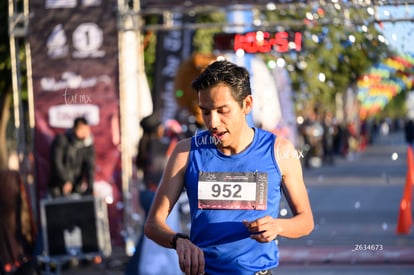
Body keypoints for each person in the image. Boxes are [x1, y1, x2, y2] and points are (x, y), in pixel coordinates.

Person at [144, 60, 314, 275]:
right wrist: (178, 241)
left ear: (247, 104)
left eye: (223, 110)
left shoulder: (280, 151)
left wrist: (278, 226)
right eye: (205, 112)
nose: (213, 122)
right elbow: (153, 224)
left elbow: (305, 221)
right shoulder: (186, 152)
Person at [48, 117, 95, 198]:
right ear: (74, 129)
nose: (84, 133)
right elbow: (57, 163)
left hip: (76, 186)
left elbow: (90, 167)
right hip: (58, 185)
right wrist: (66, 181)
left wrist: (91, 187)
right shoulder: (62, 140)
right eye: (81, 129)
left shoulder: (88, 145)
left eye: (86, 130)